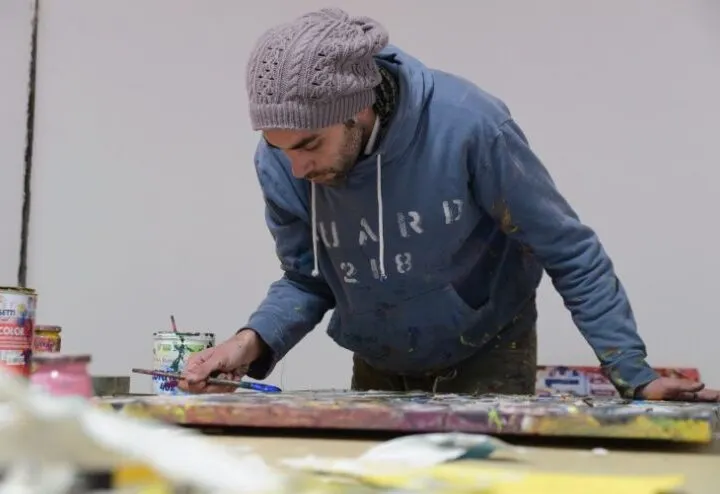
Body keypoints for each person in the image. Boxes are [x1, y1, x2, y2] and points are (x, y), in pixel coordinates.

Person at [181, 8, 718, 401]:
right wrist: (249, 342)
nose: (296, 169)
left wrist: (634, 375)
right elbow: (307, 278)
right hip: (378, 357)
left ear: (357, 110)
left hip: (487, 349)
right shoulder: (281, 159)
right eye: (279, 148)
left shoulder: (470, 126)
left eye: (308, 145)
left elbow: (568, 251)